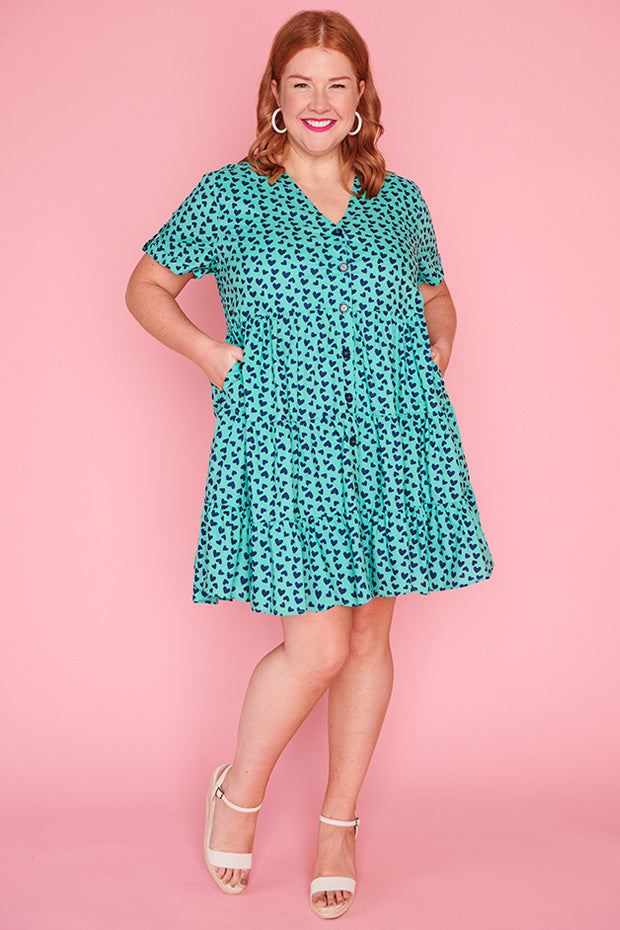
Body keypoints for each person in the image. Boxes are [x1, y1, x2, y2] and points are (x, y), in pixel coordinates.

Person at [125, 8, 494, 919]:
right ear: (276, 96)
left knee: (369, 639)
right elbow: (147, 286)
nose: (320, 101)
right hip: (288, 442)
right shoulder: (230, 194)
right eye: (302, 84)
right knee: (318, 646)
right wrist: (214, 358)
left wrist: (437, 346)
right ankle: (239, 793)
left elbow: (438, 295)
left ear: (362, 94)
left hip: (392, 439)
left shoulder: (397, 199)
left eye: (337, 83)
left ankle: (338, 824)